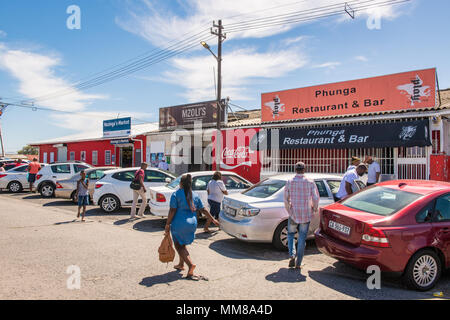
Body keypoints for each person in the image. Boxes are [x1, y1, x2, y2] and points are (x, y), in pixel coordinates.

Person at [164, 174, 219, 280]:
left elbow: (172, 210)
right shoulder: (195, 195)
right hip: (192, 224)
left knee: (179, 246)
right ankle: (181, 264)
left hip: (179, 224)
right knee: (183, 244)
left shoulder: (176, 194)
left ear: (181, 183)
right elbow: (203, 210)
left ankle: (190, 265)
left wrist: (167, 224)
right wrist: (213, 219)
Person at [284, 162, 319, 270]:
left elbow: (286, 199)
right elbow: (316, 198)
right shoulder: (310, 182)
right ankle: (298, 263)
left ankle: (291, 254)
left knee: (290, 234)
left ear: (295, 169)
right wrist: (314, 208)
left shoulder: (290, 182)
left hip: (294, 213)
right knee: (302, 238)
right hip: (306, 214)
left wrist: (289, 210)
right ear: (304, 169)